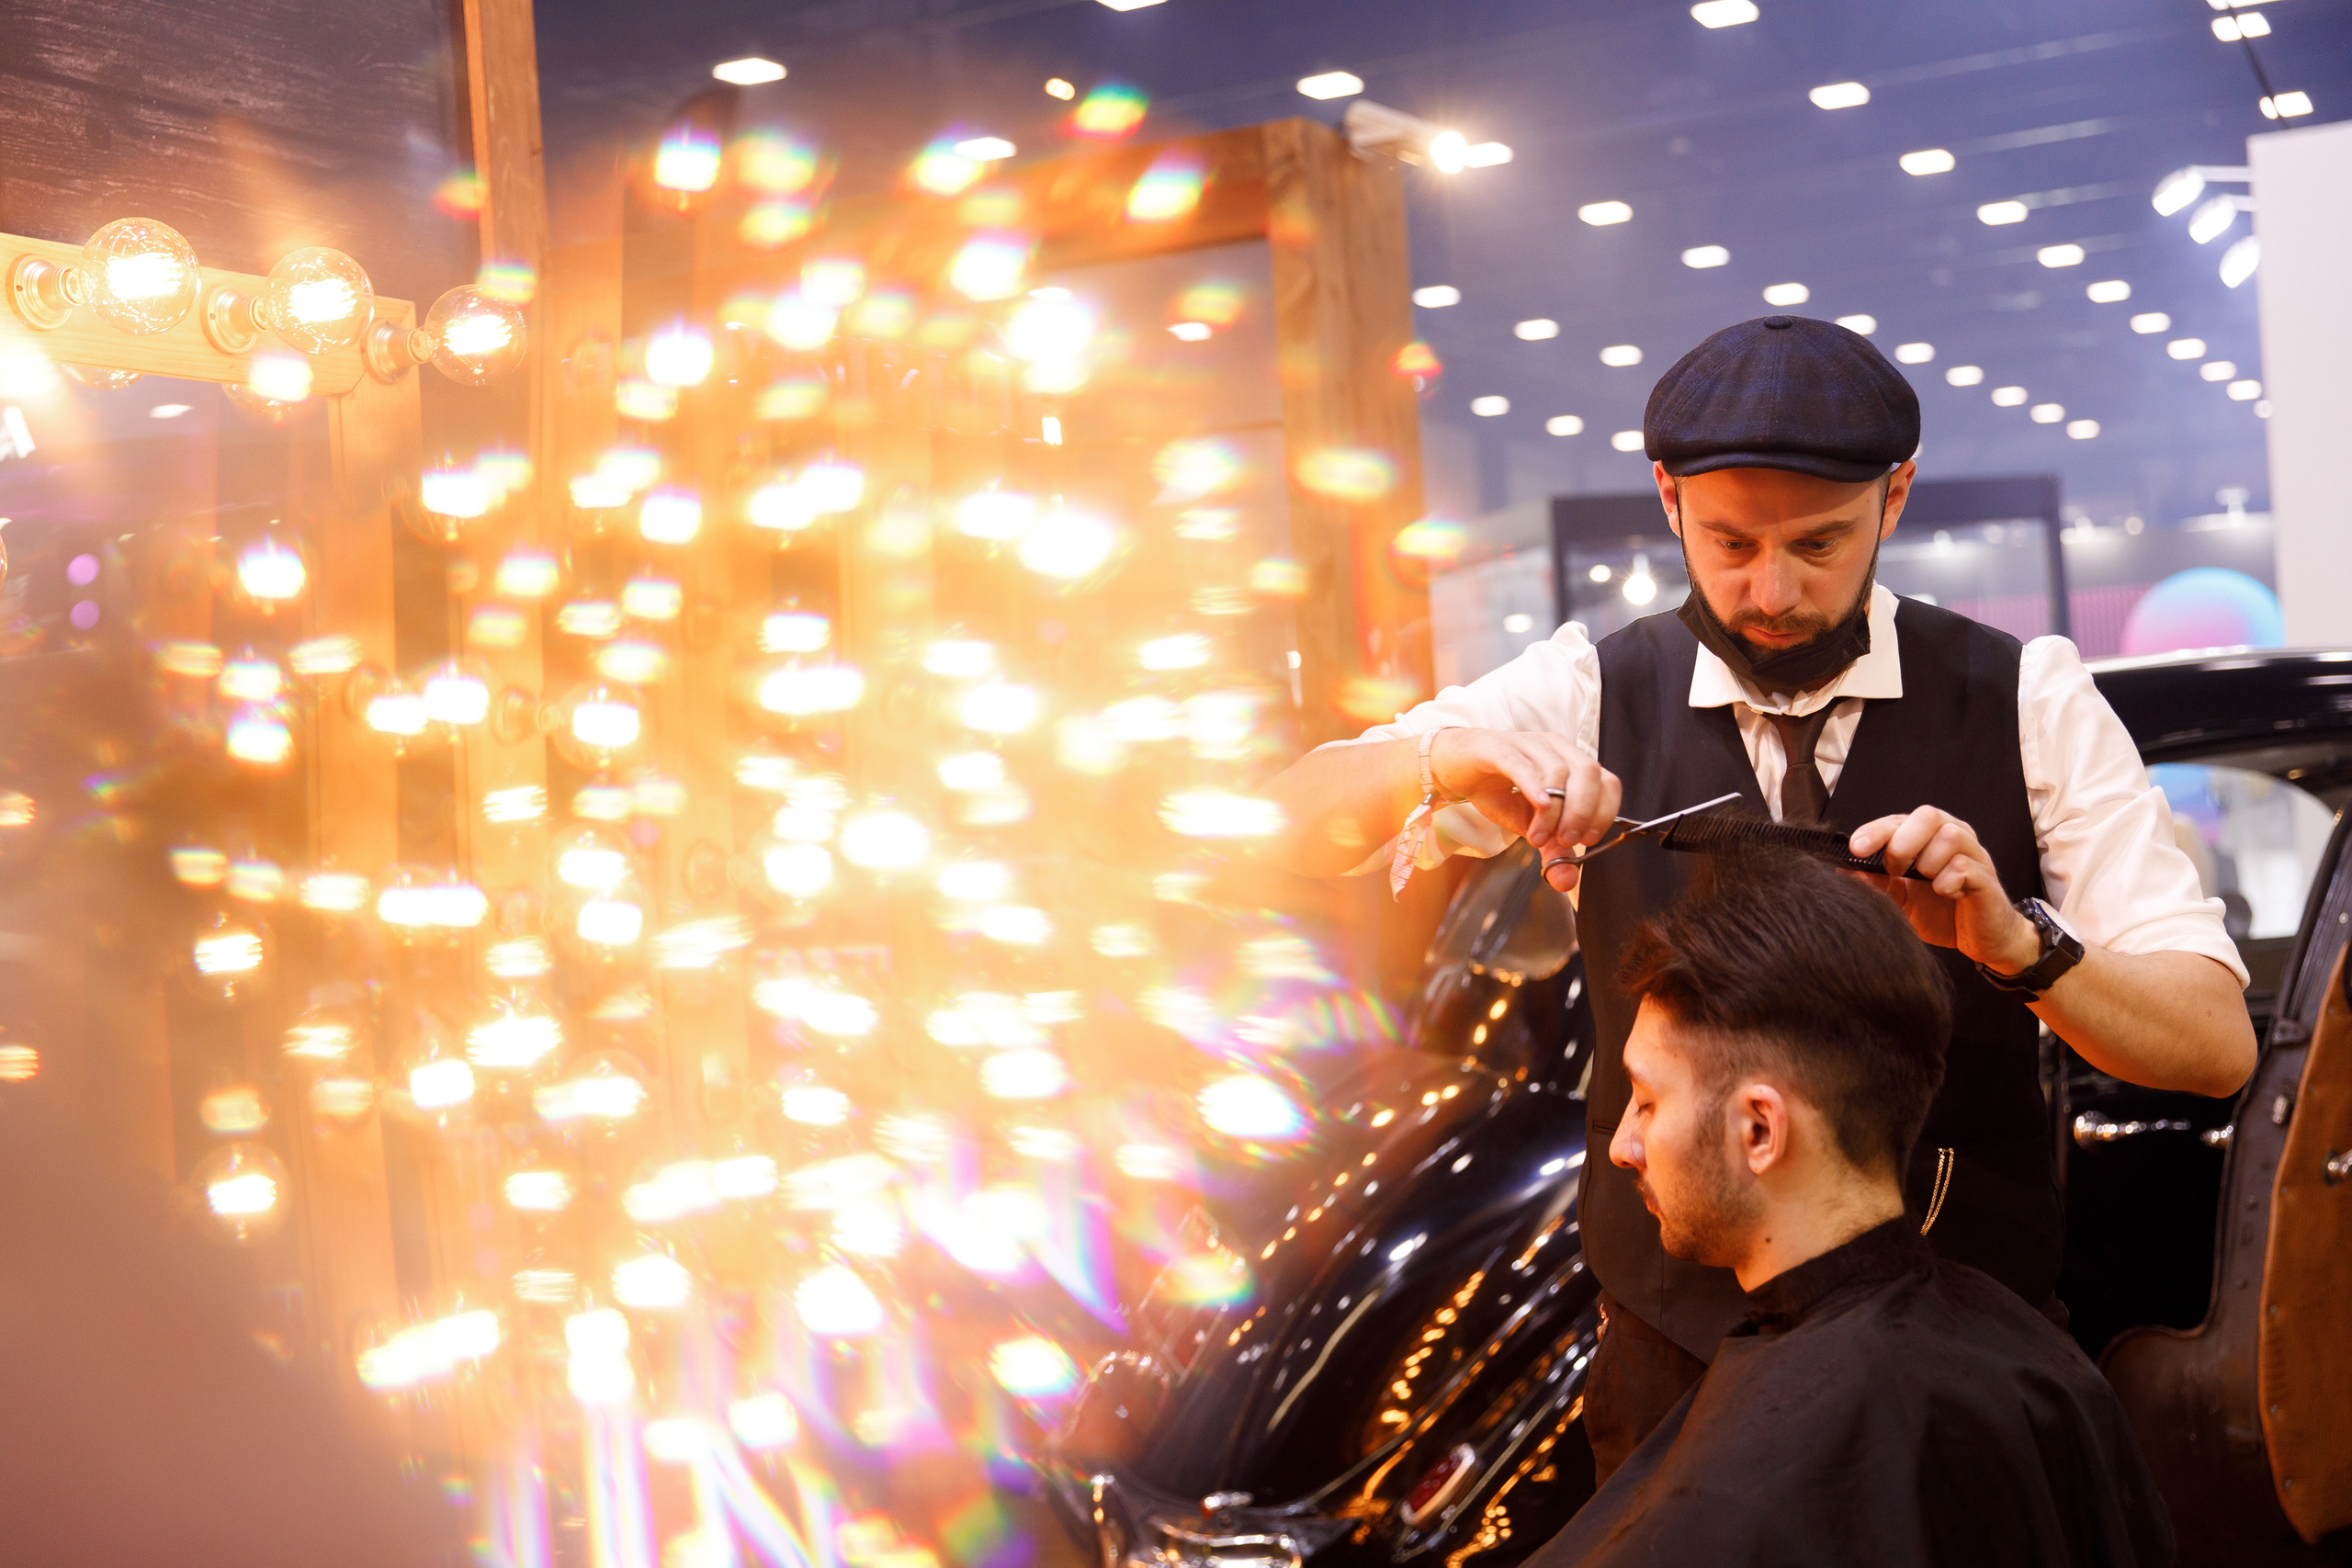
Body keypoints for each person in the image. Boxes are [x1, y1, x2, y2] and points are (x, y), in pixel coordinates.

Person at [1262, 314, 2255, 1481]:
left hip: (1957, 1352)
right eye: (1729, 542)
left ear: (1896, 499)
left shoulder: (2026, 697)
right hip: (1677, 1356)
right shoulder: (1587, 686)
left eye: (1819, 544)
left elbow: (2213, 1047)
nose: (1770, 590)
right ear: (1667, 500)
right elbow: (1282, 826)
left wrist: (2020, 948)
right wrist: (1452, 764)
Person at [1525, 849, 2173, 1566]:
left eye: (1646, 1101)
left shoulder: (1748, 1508)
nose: (1622, 1145)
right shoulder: (2045, 1370)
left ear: (1760, 1130)